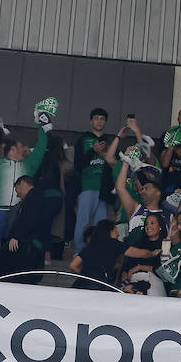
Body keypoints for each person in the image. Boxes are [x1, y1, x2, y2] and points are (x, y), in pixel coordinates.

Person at [0, 125, 48, 252]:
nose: (25, 149)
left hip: (19, 214)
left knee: (15, 248)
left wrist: (42, 126)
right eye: (21, 147)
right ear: (13, 149)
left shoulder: (29, 164)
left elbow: (41, 147)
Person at [73, 108, 116, 255]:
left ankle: (97, 255)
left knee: (101, 225)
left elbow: (114, 166)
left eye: (102, 118)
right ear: (91, 121)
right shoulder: (82, 140)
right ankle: (78, 253)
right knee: (82, 222)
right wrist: (93, 151)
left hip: (104, 189)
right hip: (87, 186)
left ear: (105, 122)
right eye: (96, 118)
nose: (99, 121)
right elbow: (77, 165)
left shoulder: (110, 142)